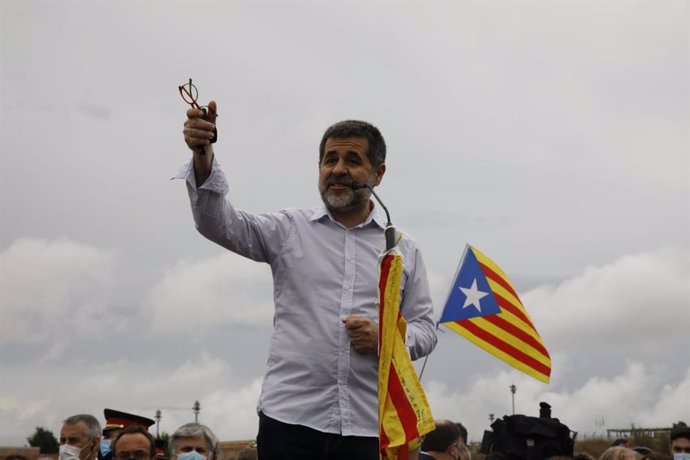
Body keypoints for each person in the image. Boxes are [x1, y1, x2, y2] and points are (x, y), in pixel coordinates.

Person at [178, 103, 438, 460]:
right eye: (330, 160)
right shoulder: (288, 229)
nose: (338, 170)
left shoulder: (402, 249)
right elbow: (217, 224)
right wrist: (203, 155)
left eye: (352, 159)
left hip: (369, 425)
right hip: (290, 421)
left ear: (378, 174)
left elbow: (426, 328)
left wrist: (387, 338)